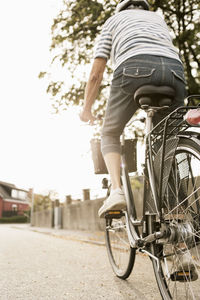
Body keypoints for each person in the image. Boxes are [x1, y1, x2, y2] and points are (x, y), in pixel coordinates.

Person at [80, 0, 186, 218]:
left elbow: (95, 74)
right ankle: (177, 209)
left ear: (121, 10)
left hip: (134, 67)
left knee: (109, 133)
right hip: (175, 72)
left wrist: (86, 109)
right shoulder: (158, 19)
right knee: (165, 141)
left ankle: (117, 191)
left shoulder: (113, 20)